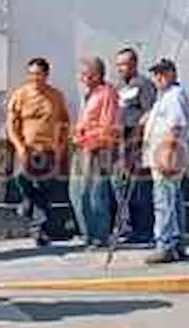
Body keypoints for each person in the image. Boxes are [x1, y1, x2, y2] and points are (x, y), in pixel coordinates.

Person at [6, 57, 70, 247]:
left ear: (46, 75)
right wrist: (18, 145)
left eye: (39, 74)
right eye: (32, 74)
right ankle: (27, 201)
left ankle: (38, 229)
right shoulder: (20, 95)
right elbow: (11, 123)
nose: (35, 78)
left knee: (44, 188)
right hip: (26, 148)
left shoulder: (56, 96)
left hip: (48, 149)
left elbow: (65, 123)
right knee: (21, 177)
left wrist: (61, 146)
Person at [144, 58, 189, 264]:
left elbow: (175, 127)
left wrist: (166, 154)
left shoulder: (174, 95)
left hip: (168, 155)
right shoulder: (163, 96)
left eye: (162, 73)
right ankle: (176, 243)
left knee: (164, 201)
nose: (158, 77)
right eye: (156, 74)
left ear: (173, 73)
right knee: (171, 199)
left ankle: (166, 244)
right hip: (160, 154)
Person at [71, 56, 121, 248]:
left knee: (95, 193)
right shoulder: (90, 94)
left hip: (96, 148)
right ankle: (88, 233)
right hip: (82, 146)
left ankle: (100, 235)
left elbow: (108, 124)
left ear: (96, 74)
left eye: (85, 74)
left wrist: (94, 144)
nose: (82, 78)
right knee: (77, 192)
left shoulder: (107, 94)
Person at [113, 48, 157, 245]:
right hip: (120, 141)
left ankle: (144, 229)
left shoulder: (144, 85)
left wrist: (138, 136)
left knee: (139, 187)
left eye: (123, 64)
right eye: (118, 65)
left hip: (136, 141)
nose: (120, 68)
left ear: (134, 64)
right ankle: (127, 226)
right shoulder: (120, 86)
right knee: (122, 185)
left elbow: (150, 113)